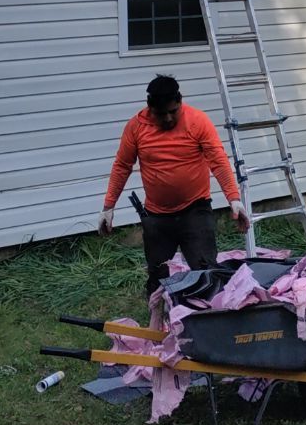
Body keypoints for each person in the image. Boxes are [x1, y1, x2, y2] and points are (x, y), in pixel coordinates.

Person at [99, 75, 251, 295]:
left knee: (206, 272)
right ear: (150, 108)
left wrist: (234, 199)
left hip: (195, 210)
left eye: (174, 111)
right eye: (162, 114)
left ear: (180, 101)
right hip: (157, 217)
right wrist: (108, 207)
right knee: (158, 276)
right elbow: (122, 166)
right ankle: (158, 321)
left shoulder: (198, 121)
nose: (169, 118)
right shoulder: (136, 127)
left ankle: (206, 321)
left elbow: (218, 161)